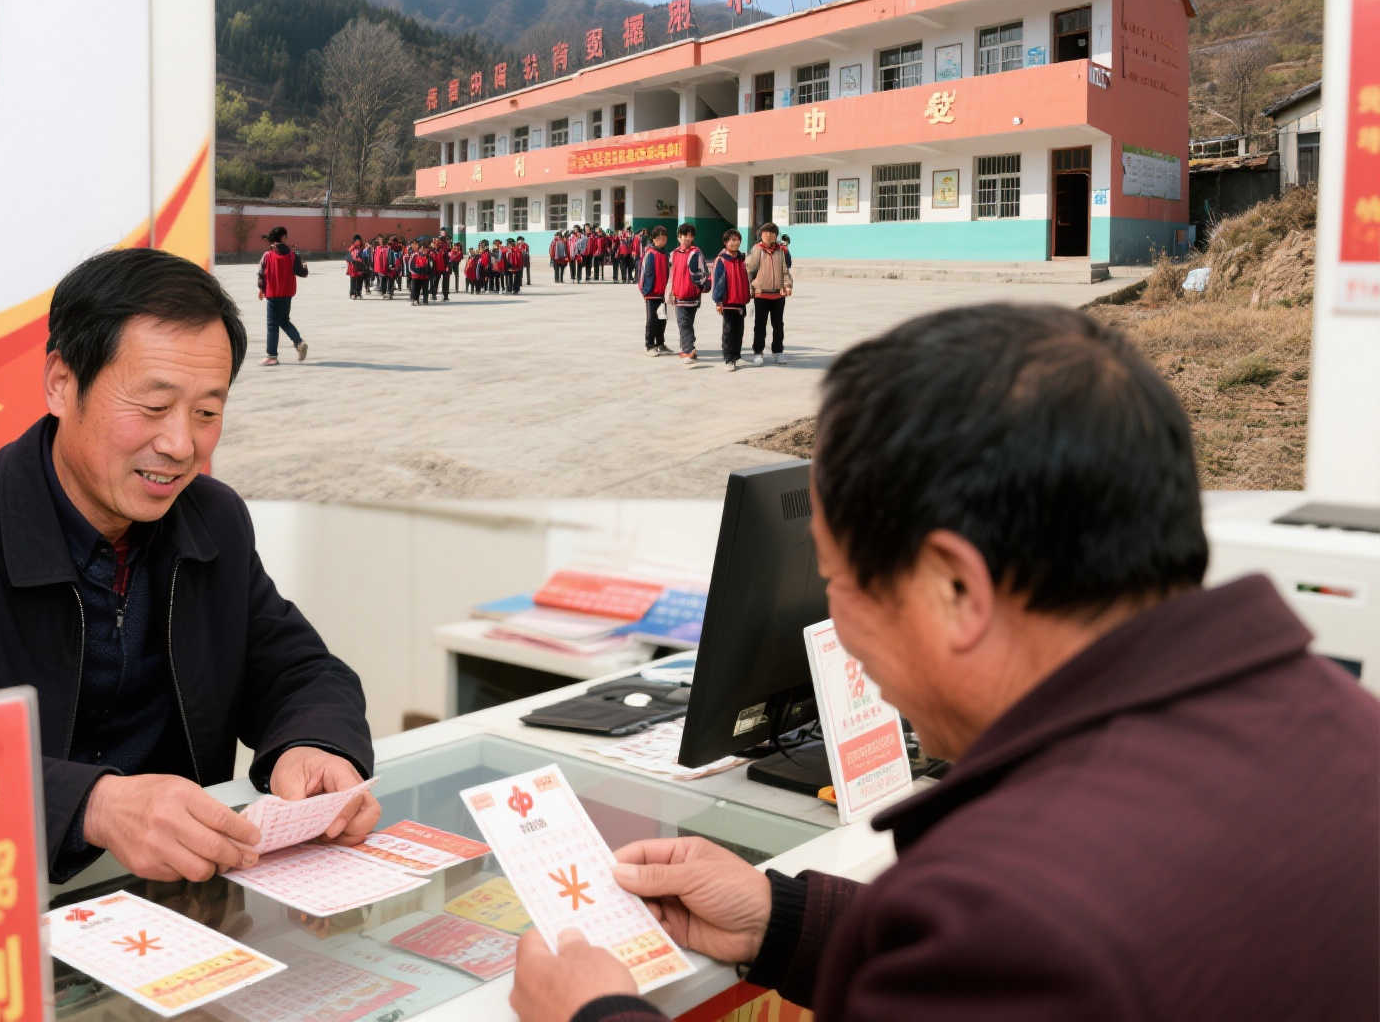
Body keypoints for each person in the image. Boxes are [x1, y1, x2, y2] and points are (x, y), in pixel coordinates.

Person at [511, 301, 1380, 1022]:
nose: (838, 633)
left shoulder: (1021, 913)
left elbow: (1007, 956)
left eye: (835, 584)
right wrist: (782, 923)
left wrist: (593, 1016)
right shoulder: (1341, 726)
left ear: (956, 590)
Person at [0, 248, 381, 884]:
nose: (179, 445)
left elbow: (300, 670)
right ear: (61, 383)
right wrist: (89, 803)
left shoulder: (211, 518)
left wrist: (315, 743)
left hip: (176, 897)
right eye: (151, 405)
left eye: (207, 412)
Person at [255, 226, 308, 365]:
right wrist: (305, 266)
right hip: (287, 294)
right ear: (283, 237)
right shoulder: (292, 255)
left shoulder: (267, 255)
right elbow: (302, 273)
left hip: (272, 294)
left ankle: (272, 356)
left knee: (272, 324)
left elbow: (261, 273)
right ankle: (299, 342)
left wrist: (261, 289)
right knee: (284, 320)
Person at [748, 223, 792, 366]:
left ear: (776, 235)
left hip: (778, 295)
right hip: (761, 295)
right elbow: (750, 270)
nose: (769, 235)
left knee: (778, 325)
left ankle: (778, 352)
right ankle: (758, 352)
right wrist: (750, 289)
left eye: (772, 233)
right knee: (760, 325)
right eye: (766, 232)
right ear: (761, 235)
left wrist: (787, 285)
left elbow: (785, 270)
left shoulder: (781, 250)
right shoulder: (757, 249)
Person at [668, 224, 710, 363]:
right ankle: (688, 348)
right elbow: (672, 275)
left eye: (691, 235)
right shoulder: (674, 254)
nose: (688, 238)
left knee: (685, 323)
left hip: (692, 295)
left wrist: (698, 288)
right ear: (679, 236)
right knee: (684, 323)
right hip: (678, 295)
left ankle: (688, 350)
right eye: (685, 235)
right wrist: (671, 291)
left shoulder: (696, 252)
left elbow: (704, 272)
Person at [710, 228, 751, 370]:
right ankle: (728, 359)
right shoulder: (721, 260)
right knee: (728, 332)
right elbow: (717, 282)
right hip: (727, 302)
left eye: (737, 239)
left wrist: (747, 295)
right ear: (726, 242)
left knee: (739, 331)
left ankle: (737, 356)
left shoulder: (741, 259)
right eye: (732, 240)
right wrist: (718, 301)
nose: (735, 243)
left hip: (740, 301)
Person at [636, 225, 671, 355]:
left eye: (664, 238)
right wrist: (645, 291)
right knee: (652, 320)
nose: (661, 241)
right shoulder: (650, 254)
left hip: (663, 294)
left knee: (662, 319)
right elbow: (642, 274)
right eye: (659, 238)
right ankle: (649, 345)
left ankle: (660, 343)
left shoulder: (666, 254)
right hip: (651, 294)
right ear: (654, 239)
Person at [407, 240, 433, 306]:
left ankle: (425, 300)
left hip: (425, 276)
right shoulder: (415, 255)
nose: (423, 250)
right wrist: (416, 272)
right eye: (422, 248)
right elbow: (410, 266)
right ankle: (415, 300)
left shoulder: (428, 257)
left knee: (425, 289)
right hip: (416, 276)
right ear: (420, 248)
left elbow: (431, 266)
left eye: (425, 249)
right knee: (415, 289)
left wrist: (428, 273)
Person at [346, 233, 369, 300]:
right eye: (356, 241)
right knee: (353, 281)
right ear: (354, 242)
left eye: (359, 241)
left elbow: (365, 257)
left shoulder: (363, 249)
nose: (357, 242)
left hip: (360, 267)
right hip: (353, 268)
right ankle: (352, 293)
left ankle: (358, 293)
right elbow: (347, 258)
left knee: (359, 281)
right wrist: (353, 260)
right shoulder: (351, 249)